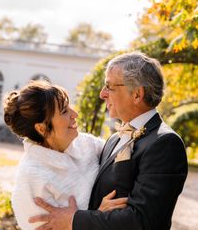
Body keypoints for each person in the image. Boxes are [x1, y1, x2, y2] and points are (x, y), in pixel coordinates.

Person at [29, 51, 188, 230]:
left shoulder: (165, 144)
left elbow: (142, 221)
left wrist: (74, 220)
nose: (102, 94)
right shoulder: (114, 139)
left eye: (109, 86)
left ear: (137, 94)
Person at [3, 81, 128, 230]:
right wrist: (98, 217)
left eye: (69, 107)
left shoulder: (86, 144)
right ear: (42, 128)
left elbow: (123, 155)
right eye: (64, 111)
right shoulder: (31, 179)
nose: (74, 114)